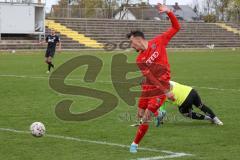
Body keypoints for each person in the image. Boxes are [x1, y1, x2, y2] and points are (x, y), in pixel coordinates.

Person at [127, 4, 180, 153]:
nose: (131, 45)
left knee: (146, 118)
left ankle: (134, 144)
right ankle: (160, 114)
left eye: (132, 42)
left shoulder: (159, 41)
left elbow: (176, 28)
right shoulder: (139, 59)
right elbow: (149, 76)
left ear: (138, 39)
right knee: (139, 114)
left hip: (159, 89)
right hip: (148, 88)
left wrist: (169, 12)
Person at [156, 81, 223, 126]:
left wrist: (160, 119)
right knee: (201, 106)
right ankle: (217, 121)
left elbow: (162, 109)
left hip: (184, 100)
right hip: (191, 91)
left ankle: (209, 118)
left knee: (185, 113)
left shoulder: (159, 93)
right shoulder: (167, 80)